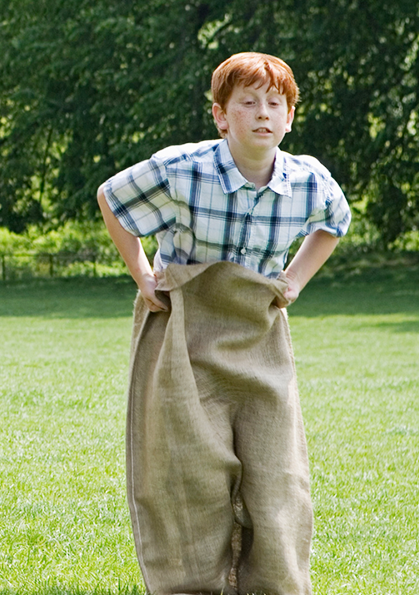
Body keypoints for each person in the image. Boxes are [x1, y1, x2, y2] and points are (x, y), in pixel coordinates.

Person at [98, 52, 349, 595]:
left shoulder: (308, 181)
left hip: (259, 334)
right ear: (221, 115)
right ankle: (191, 582)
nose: (263, 113)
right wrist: (142, 274)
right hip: (183, 329)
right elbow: (112, 199)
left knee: (275, 470)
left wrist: (296, 279)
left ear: (289, 117)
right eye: (248, 102)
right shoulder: (181, 170)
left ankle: (273, 583)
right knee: (189, 470)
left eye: (275, 103)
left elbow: (336, 220)